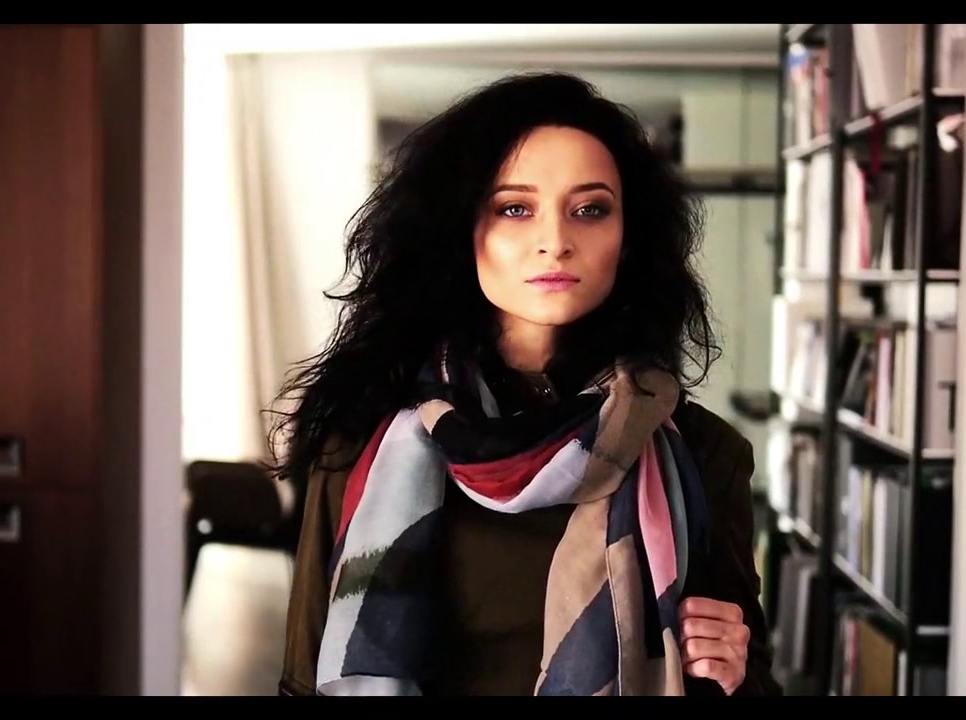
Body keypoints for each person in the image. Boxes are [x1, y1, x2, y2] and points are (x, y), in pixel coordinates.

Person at [269, 71, 781, 697]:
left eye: (590, 210)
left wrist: (734, 672)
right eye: (515, 208)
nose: (556, 242)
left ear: (628, 238)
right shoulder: (360, 437)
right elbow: (304, 680)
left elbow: (754, 683)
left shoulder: (704, 454)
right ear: (462, 229)